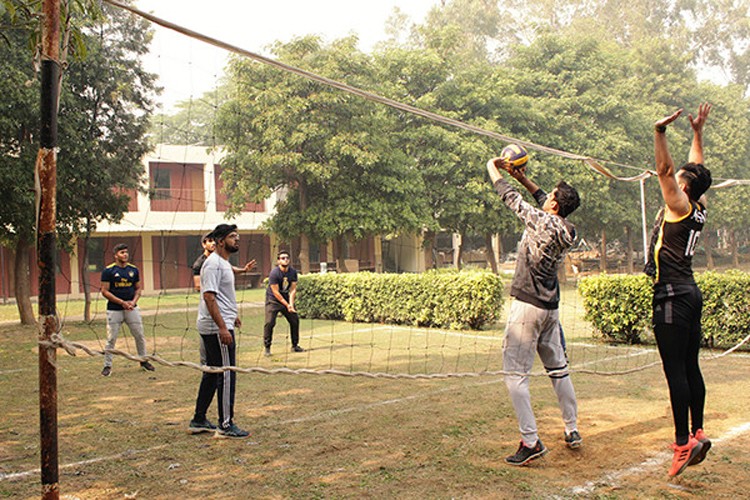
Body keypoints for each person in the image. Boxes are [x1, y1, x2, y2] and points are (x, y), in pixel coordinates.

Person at [486, 153, 582, 466]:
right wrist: (522, 176)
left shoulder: (540, 220)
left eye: (551, 195)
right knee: (558, 370)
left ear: (554, 205)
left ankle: (531, 441)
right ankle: (572, 429)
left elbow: (510, 198)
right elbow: (539, 197)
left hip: (527, 308)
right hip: (550, 309)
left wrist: (494, 168)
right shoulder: (568, 230)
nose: (547, 196)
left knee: (515, 376)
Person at [648, 103, 713, 477]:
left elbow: (665, 170)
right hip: (690, 292)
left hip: (671, 296)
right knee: (690, 366)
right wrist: (697, 134)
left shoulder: (678, 203)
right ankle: (698, 430)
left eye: (681, 180)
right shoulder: (699, 204)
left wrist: (660, 133)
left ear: (683, 187)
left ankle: (682, 443)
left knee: (675, 371)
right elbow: (694, 170)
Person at [189, 224, 256, 438]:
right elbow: (209, 296)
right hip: (216, 329)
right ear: (220, 241)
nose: (237, 240)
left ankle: (199, 419)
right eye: (232, 237)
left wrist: (231, 315)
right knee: (227, 373)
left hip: (221, 323)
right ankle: (225, 425)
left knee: (212, 373)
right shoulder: (212, 265)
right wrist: (221, 326)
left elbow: (221, 295)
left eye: (237, 236)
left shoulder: (224, 263)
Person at [100, 243, 155, 376]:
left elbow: (138, 288)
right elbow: (104, 291)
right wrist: (121, 302)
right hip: (114, 309)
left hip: (132, 309)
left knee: (139, 335)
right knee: (111, 338)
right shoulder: (109, 271)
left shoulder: (133, 270)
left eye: (126, 252)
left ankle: (143, 360)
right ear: (115, 255)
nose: (125, 255)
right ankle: (107, 366)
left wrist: (133, 302)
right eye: (122, 252)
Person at [263, 250, 303, 356]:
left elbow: (293, 289)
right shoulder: (274, 273)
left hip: (286, 299)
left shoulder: (293, 272)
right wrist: (287, 305)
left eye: (287, 258)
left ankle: (295, 345)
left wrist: (291, 304)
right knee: (269, 323)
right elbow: (275, 292)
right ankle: (267, 347)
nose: (285, 260)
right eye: (282, 258)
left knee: (294, 320)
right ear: (278, 261)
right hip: (273, 300)